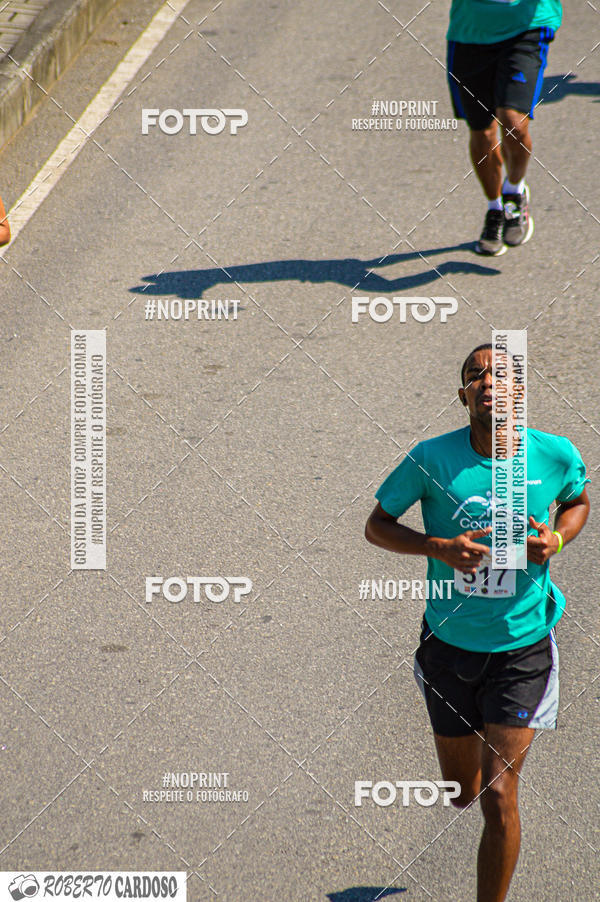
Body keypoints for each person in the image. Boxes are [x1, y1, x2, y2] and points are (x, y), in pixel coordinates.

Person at [365, 343, 589, 902]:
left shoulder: (553, 454)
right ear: (463, 395)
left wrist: (555, 538)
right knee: (461, 792)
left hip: (523, 646)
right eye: (474, 376)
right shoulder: (430, 459)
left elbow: (579, 501)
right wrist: (436, 545)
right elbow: (376, 525)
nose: (487, 381)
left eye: (500, 374)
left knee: (498, 793)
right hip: (448, 645)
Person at [446, 0, 562, 255]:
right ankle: (495, 208)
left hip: (527, 28)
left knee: (513, 123)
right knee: (482, 131)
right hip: (470, 33)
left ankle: (514, 191)